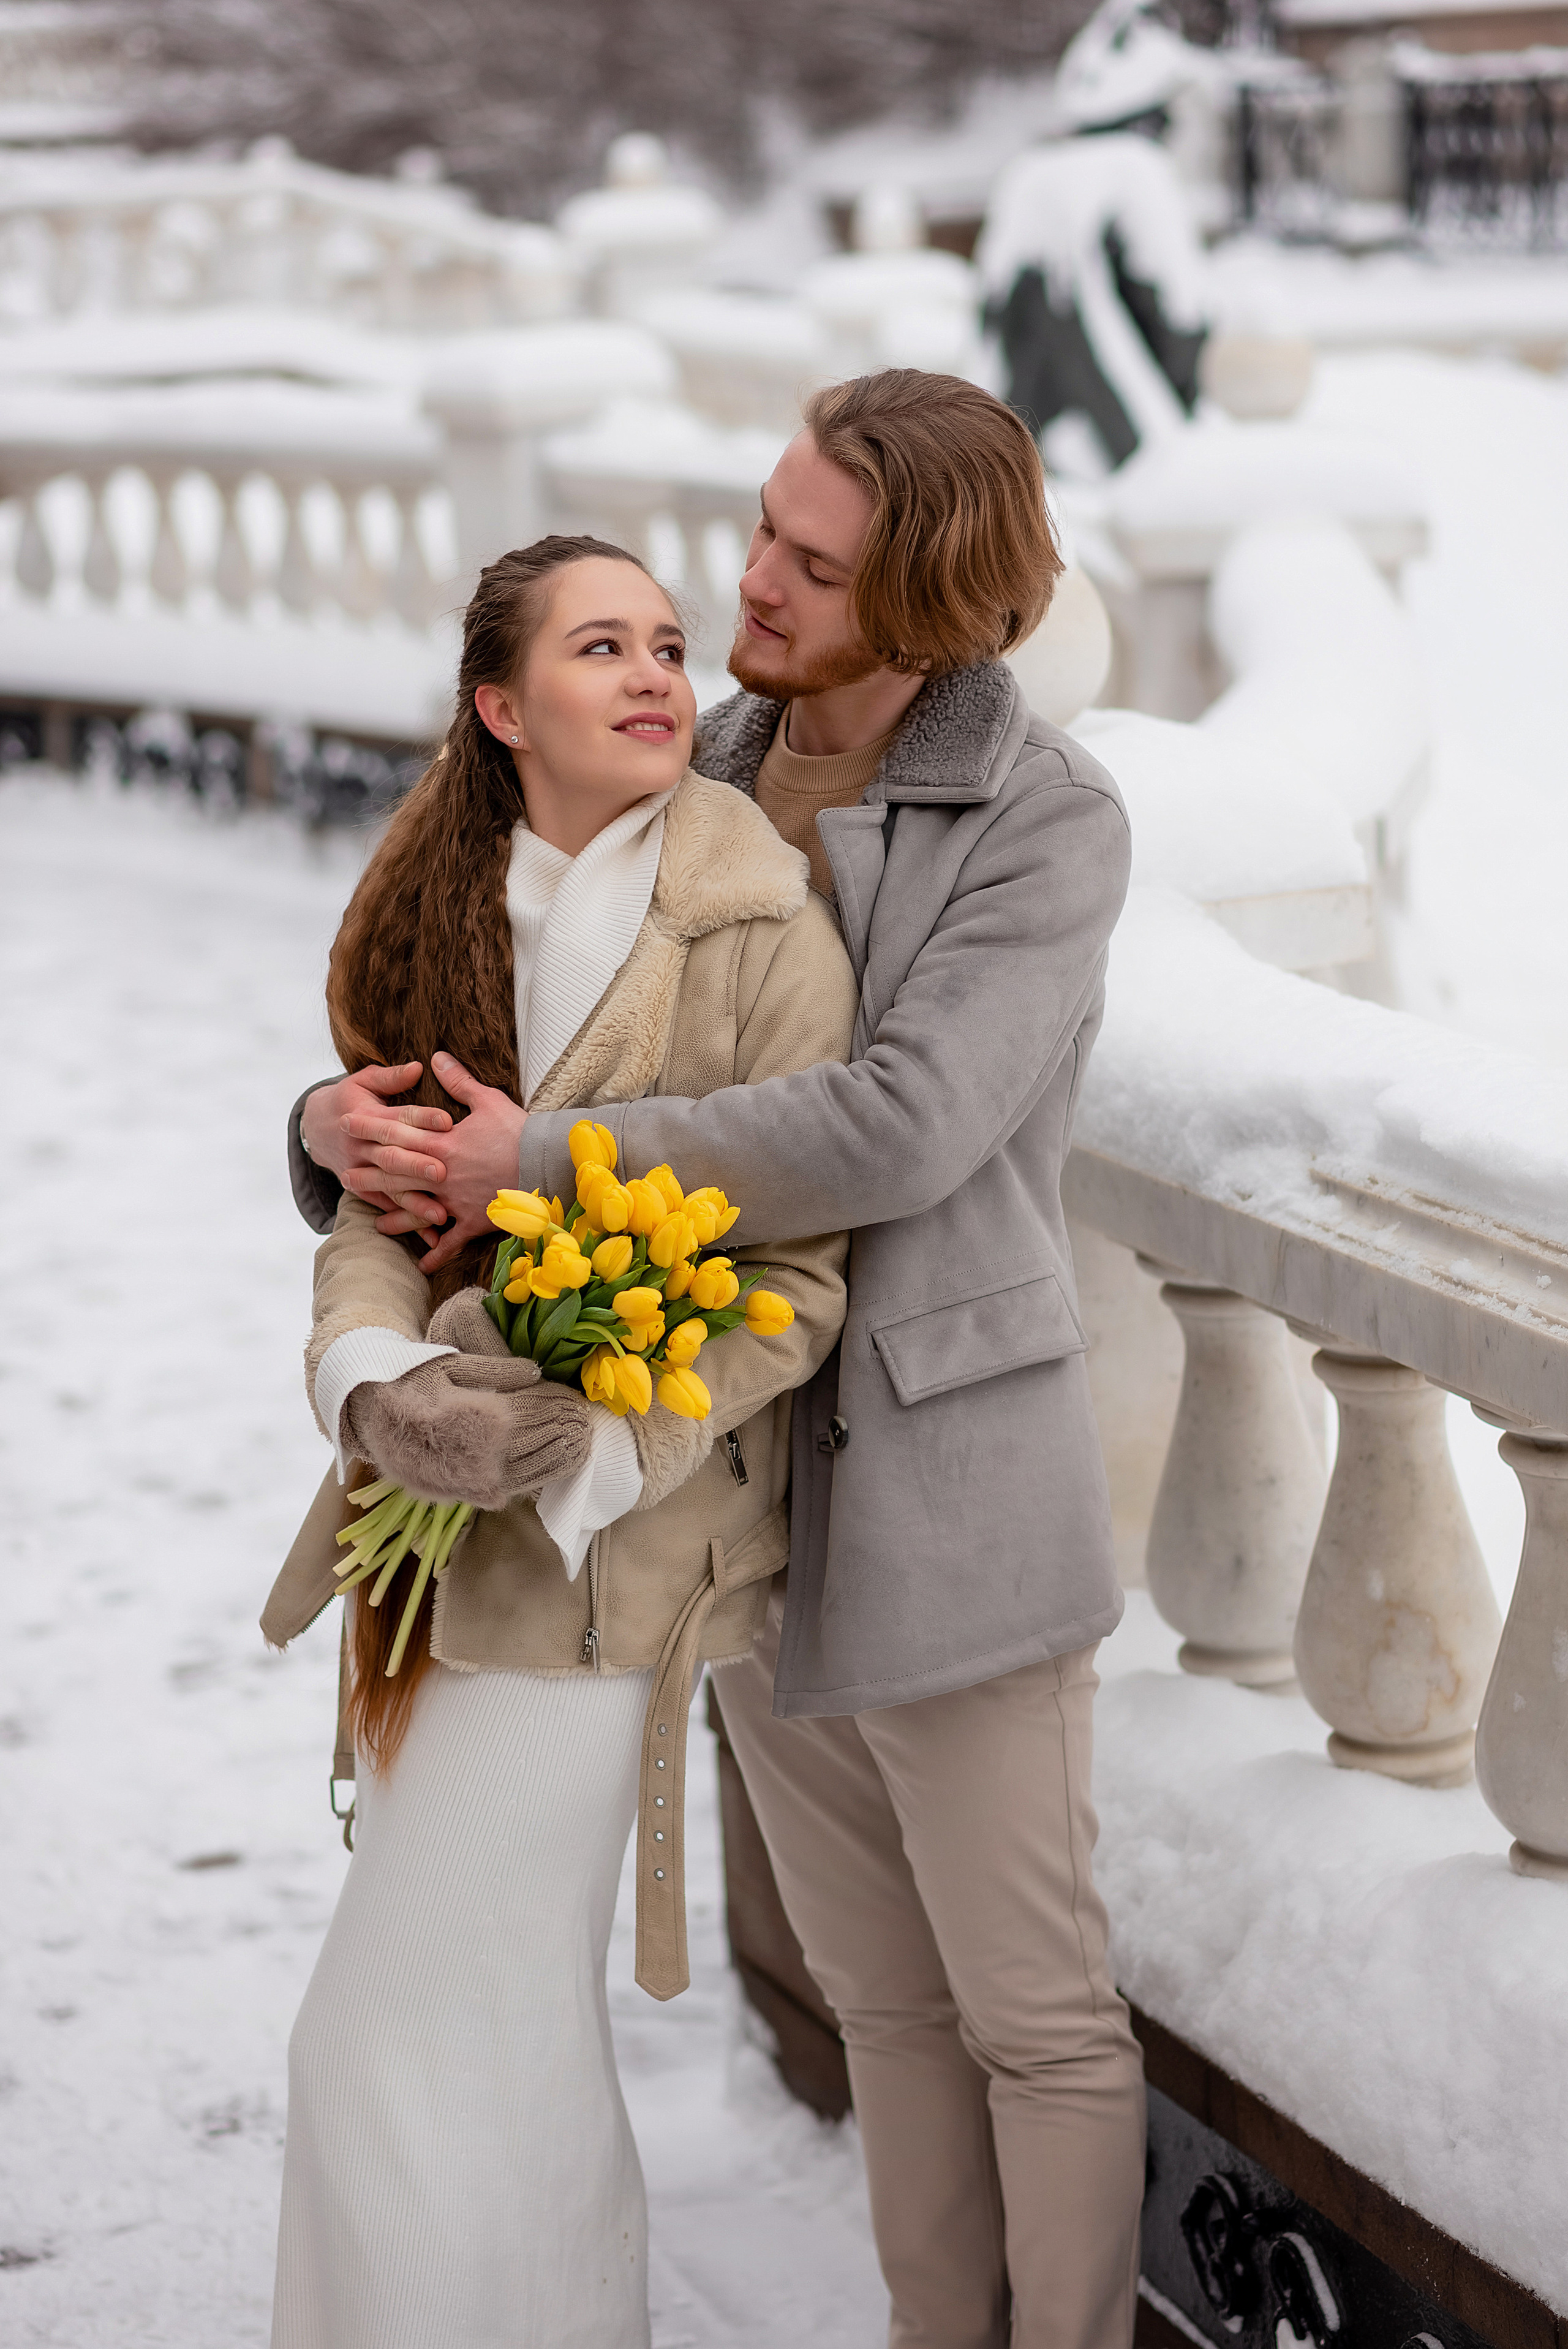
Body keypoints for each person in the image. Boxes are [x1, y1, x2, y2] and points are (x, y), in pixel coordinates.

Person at [291, 371, 1146, 2349]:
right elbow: (522, 1007)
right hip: (737, 1499)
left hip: (948, 1484)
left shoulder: (1046, 822)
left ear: (926, 605)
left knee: (1037, 2009)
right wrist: (338, 1128)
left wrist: (549, 1166)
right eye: (762, 529)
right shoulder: (709, 761)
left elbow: (904, 1123)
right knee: (883, 2002)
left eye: (808, 564)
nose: (746, 584)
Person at [262, 535, 856, 2349]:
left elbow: (794, 1285)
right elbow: (374, 1193)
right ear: (503, 706)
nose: (661, 670)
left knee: (386, 2025)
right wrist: (377, 1379)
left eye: (669, 643)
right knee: (502, 2014)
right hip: (436, 1535)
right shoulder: (430, 900)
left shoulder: (762, 925)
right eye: (603, 647)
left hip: (622, 1564)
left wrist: (584, 1442)